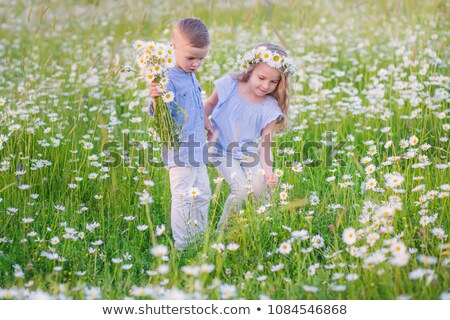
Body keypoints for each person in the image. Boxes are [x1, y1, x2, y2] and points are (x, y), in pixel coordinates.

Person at [203, 43, 295, 228]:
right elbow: (210, 104)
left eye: (273, 81)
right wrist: (203, 120)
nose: (265, 85)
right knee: (241, 189)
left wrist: (268, 171)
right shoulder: (229, 84)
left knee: (261, 189)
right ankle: (221, 234)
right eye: (261, 77)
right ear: (250, 70)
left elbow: (266, 144)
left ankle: (259, 228)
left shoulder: (269, 107)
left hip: (248, 152)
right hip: (220, 147)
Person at [148, 18, 211, 249]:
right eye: (191, 57)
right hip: (180, 152)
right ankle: (183, 245)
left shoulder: (190, 74)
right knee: (184, 198)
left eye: (201, 58)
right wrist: (156, 100)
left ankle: (198, 237)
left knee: (203, 194)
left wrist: (205, 121)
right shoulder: (167, 79)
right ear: (173, 48)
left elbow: (195, 104)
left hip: (197, 149)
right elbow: (158, 115)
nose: (195, 63)